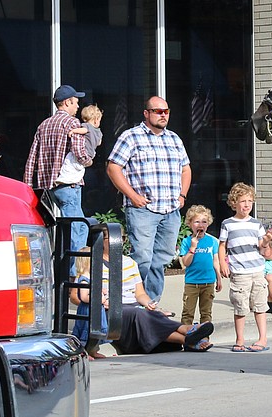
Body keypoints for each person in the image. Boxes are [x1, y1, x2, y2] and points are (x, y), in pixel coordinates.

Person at [106, 96, 191, 308]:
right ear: (146, 113)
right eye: (157, 111)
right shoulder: (131, 137)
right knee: (142, 258)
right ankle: (130, 301)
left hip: (170, 210)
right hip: (143, 210)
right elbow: (113, 167)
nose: (163, 115)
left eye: (166, 111)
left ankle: (150, 304)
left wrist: (182, 196)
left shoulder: (174, 139)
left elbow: (186, 169)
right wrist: (132, 196)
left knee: (161, 260)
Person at [99, 236, 214, 354]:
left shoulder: (130, 263)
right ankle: (186, 332)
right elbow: (80, 295)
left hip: (133, 306)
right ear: (102, 240)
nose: (119, 241)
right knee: (139, 313)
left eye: (122, 238)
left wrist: (152, 305)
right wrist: (100, 300)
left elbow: (140, 294)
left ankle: (189, 339)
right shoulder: (96, 263)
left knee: (152, 313)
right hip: (113, 309)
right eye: (113, 237)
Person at [24, 85, 94, 255]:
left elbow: (32, 158)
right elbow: (79, 151)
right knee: (78, 230)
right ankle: (75, 275)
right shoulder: (72, 122)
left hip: (50, 187)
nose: (78, 106)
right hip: (68, 185)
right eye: (76, 102)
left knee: (65, 230)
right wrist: (88, 161)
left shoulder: (44, 125)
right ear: (67, 102)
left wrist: (27, 186)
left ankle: (65, 271)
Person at [219, 183, 270, 352]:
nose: (247, 205)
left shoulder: (256, 224)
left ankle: (262, 338)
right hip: (239, 272)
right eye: (242, 201)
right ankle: (240, 339)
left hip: (257, 270)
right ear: (234, 203)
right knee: (240, 307)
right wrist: (222, 264)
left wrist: (267, 240)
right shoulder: (228, 224)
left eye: (250, 201)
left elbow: (262, 247)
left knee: (260, 305)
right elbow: (222, 246)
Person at [178, 204, 222, 329]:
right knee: (188, 313)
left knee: (206, 313)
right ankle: (185, 337)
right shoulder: (187, 241)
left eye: (204, 222)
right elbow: (186, 263)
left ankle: (204, 338)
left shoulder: (212, 241)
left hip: (208, 282)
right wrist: (192, 248)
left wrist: (218, 278)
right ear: (190, 224)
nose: (200, 225)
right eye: (197, 222)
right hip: (192, 283)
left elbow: (216, 260)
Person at [61, 104, 104, 188]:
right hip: (91, 154)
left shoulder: (86, 126)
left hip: (84, 152)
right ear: (96, 120)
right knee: (80, 169)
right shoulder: (98, 132)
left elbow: (83, 130)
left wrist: (73, 131)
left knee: (69, 160)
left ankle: (65, 179)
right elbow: (99, 143)